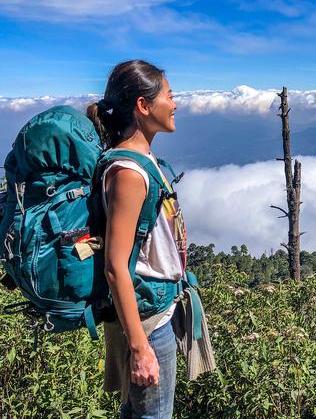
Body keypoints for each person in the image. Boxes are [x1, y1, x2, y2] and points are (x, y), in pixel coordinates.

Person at [86, 60, 214, 419]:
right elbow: (115, 266)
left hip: (156, 314)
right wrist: (140, 348)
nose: (175, 104)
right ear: (143, 106)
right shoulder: (127, 172)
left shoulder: (142, 160)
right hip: (148, 324)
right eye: (169, 96)